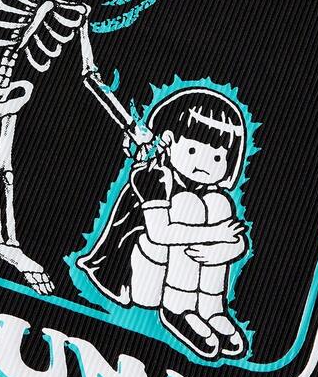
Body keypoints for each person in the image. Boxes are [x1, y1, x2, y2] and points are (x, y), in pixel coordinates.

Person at [77, 86, 252, 360]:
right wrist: (214, 233)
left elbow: (237, 240)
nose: (206, 164)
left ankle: (212, 309)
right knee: (186, 205)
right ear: (168, 140)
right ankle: (177, 309)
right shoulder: (152, 176)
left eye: (218, 157)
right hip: (142, 277)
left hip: (187, 277)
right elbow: (160, 233)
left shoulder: (214, 198)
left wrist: (225, 249)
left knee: (219, 203)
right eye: (193, 149)